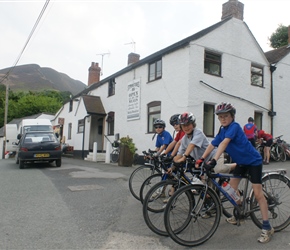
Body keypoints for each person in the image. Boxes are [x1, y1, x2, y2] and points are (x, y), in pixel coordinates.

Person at [196, 102, 273, 244]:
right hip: (241, 163)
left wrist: (213, 161)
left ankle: (267, 227)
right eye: (220, 117)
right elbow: (214, 143)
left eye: (226, 116)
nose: (223, 119)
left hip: (253, 162)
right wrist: (201, 159)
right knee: (229, 190)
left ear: (232, 116)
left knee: (258, 194)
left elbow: (224, 143)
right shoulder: (222, 129)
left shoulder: (235, 127)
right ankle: (241, 212)